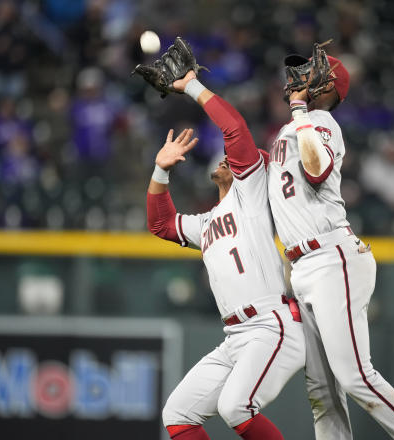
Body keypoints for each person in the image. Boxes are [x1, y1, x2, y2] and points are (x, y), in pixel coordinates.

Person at [267, 46, 394, 439]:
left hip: (331, 258)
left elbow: (315, 168)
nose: (301, 77)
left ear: (329, 86)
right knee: (323, 390)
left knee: (355, 376)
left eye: (311, 73)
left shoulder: (321, 121)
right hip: (303, 265)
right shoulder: (291, 128)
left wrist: (298, 110)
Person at [144, 70, 305, 440]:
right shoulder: (206, 222)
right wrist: (160, 170)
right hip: (235, 335)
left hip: (270, 324)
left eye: (235, 160)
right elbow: (162, 224)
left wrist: (192, 87)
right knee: (178, 414)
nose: (226, 159)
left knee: (235, 407)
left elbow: (234, 129)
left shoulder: (251, 195)